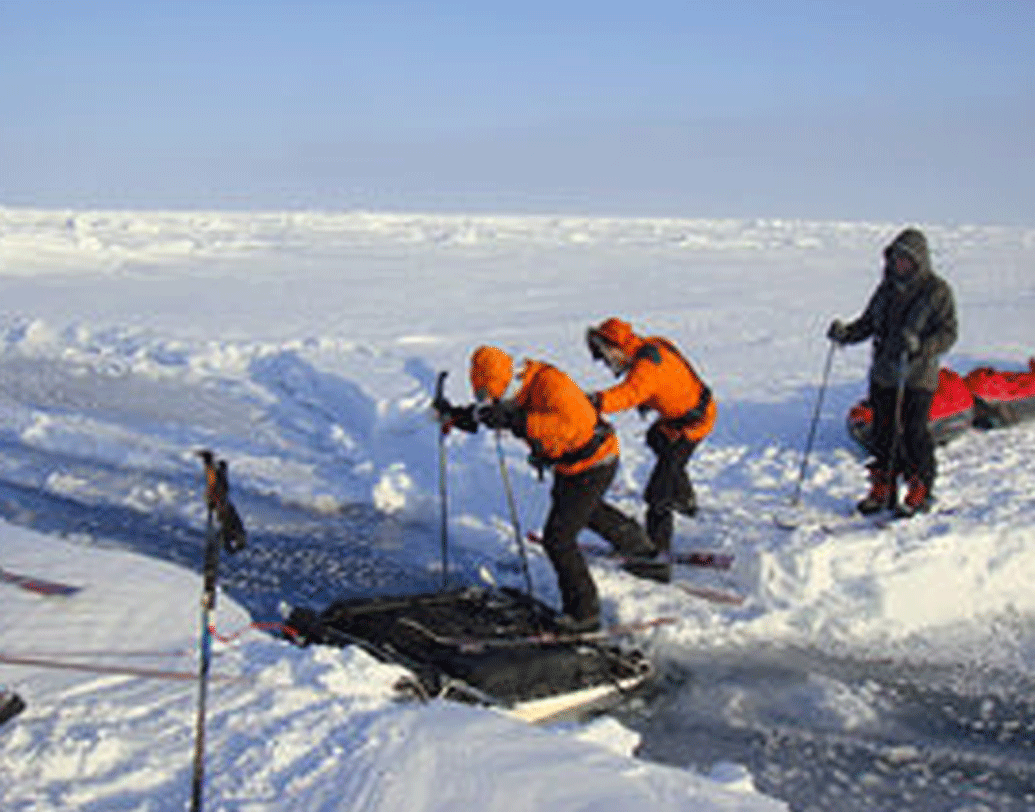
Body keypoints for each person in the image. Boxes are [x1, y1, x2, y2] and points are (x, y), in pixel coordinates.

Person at [434, 345, 649, 632]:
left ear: (508, 382)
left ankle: (584, 614)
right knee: (585, 510)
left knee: (558, 539)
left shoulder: (551, 384)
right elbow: (489, 414)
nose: (496, 403)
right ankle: (638, 545)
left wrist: (515, 421)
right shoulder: (513, 390)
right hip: (569, 467)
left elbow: (572, 427)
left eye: (497, 397)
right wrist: (456, 416)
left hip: (594, 461)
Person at [828, 227, 958, 517]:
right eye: (895, 258)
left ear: (919, 261)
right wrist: (845, 334)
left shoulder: (937, 291)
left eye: (905, 259)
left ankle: (920, 488)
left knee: (914, 433)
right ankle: (884, 489)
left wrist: (921, 345)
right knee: (883, 433)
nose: (899, 264)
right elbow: (868, 323)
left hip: (917, 377)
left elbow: (949, 334)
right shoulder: (885, 290)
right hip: (885, 374)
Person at [585, 318, 717, 581]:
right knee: (656, 439)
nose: (607, 364)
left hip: (690, 427)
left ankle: (657, 559)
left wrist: (591, 402)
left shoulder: (647, 368)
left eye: (604, 356)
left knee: (657, 496)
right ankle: (684, 499)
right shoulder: (651, 345)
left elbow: (628, 394)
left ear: (616, 348)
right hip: (675, 422)